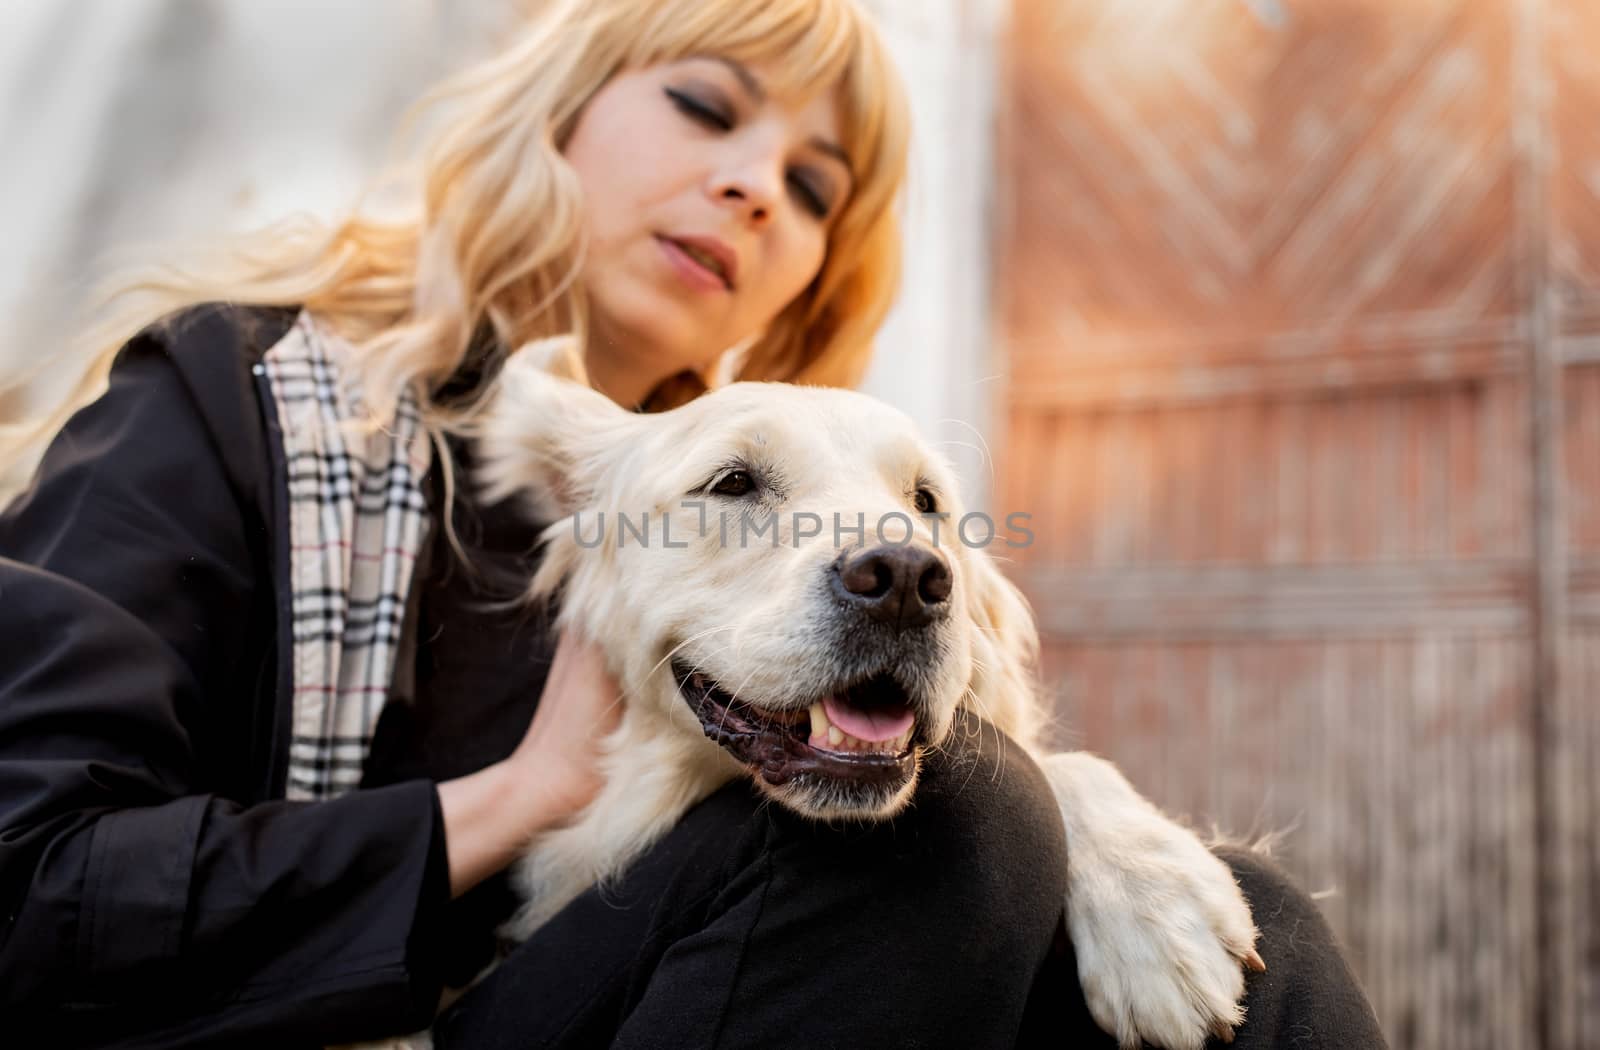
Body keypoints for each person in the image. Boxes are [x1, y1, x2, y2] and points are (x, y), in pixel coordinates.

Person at [0, 0, 1388, 1047]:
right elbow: (30, 889)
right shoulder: (231, 402)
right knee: (950, 818)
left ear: (805, 271)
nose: (752, 187)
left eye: (809, 188)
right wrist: (516, 798)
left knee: (1263, 937)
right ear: (561, 108)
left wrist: (1091, 810)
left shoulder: (818, 487)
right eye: (709, 109)